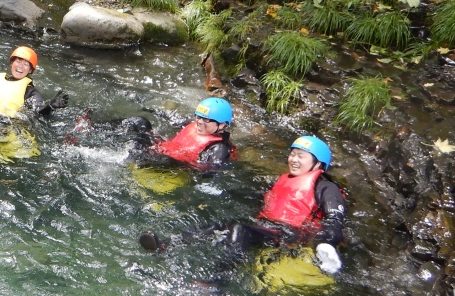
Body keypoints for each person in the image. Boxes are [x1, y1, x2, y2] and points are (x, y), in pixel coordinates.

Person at [139, 135, 345, 278]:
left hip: (293, 235)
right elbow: (265, 199)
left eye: (301, 156)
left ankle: (217, 281)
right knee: (220, 225)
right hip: (272, 227)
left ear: (318, 165)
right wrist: (223, 193)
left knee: (239, 230)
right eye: (293, 154)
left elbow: (335, 220)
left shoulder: (327, 188)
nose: (293, 159)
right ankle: (165, 245)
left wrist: (325, 244)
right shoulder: (286, 180)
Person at [128, 97, 237, 168]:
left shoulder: (220, 148)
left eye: (206, 120)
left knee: (137, 147)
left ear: (222, 124)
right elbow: (172, 119)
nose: (199, 122)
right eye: (199, 117)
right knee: (139, 121)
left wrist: (174, 158)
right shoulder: (193, 123)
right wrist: (149, 108)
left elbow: (206, 171)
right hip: (164, 150)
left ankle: (121, 159)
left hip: (174, 165)